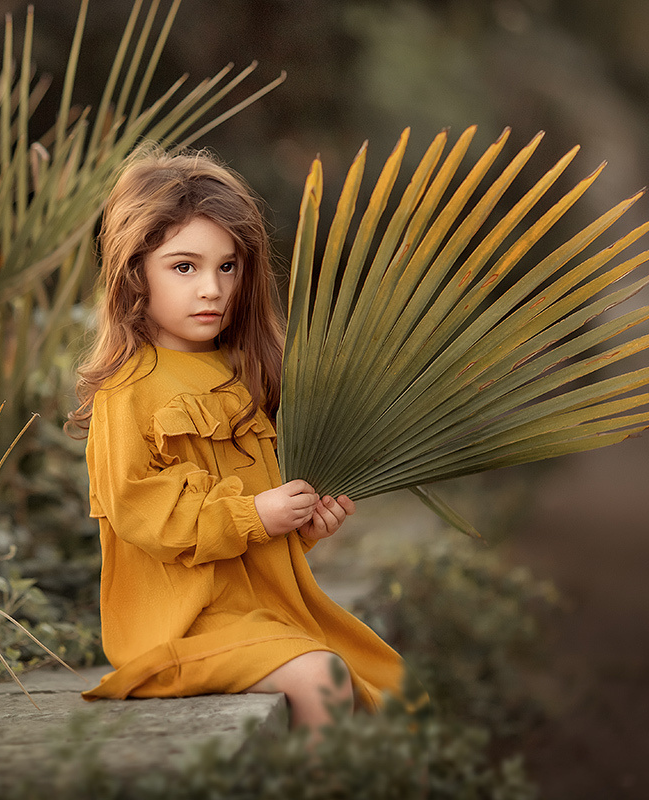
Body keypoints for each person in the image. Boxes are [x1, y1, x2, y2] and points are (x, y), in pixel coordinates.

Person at [67, 146, 404, 734]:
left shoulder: (248, 376)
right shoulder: (128, 391)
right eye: (184, 266)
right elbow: (148, 517)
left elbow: (255, 532)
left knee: (393, 683)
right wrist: (254, 514)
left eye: (228, 266)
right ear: (134, 271)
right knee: (324, 677)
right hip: (180, 630)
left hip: (264, 611)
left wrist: (302, 526)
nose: (211, 289)